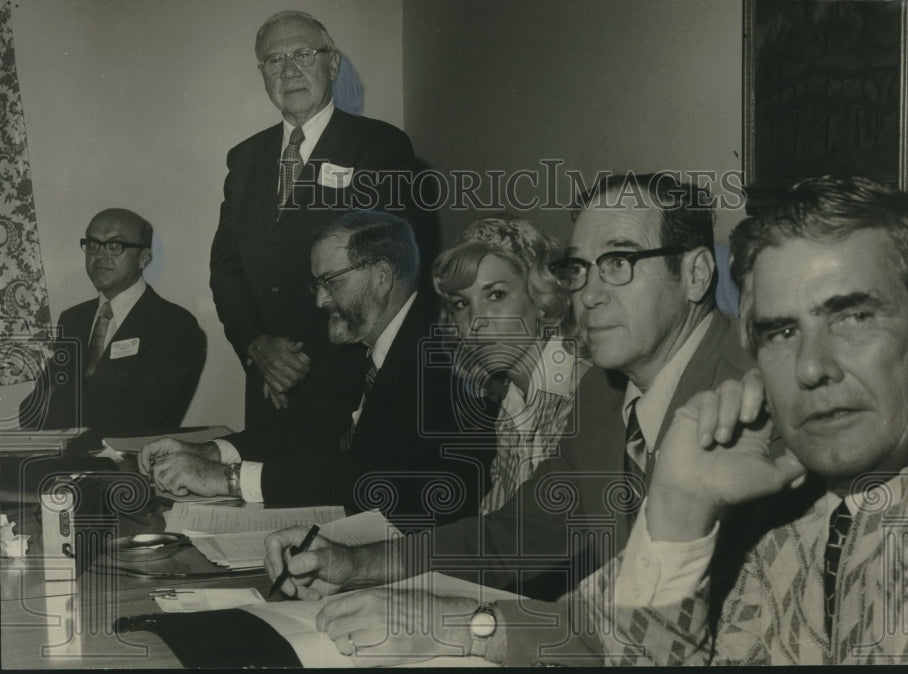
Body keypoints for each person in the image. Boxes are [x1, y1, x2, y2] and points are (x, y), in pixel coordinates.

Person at [517, 176, 908, 665]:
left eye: (854, 318)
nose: (811, 368)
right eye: (782, 331)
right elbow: (613, 641)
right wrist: (681, 507)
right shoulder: (810, 482)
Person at [263, 171, 758, 631]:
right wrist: (357, 565)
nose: (588, 295)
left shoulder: (755, 397)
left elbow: (656, 626)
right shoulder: (605, 394)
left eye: (619, 263)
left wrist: (455, 625)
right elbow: (513, 535)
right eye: (579, 268)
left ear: (695, 274)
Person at [140, 211, 490, 526]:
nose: (320, 300)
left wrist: (228, 478)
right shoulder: (365, 344)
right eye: (317, 284)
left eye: (331, 282)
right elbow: (308, 432)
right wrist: (210, 452)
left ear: (382, 276)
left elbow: (372, 477)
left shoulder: (440, 352)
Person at [210, 10, 415, 431]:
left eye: (303, 54)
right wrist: (257, 345)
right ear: (263, 73)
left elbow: (383, 275)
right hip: (269, 385)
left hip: (348, 383)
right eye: (274, 60)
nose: (289, 71)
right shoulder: (245, 159)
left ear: (333, 63)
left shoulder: (380, 147)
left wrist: (293, 362)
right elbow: (227, 269)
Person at [432, 215, 589, 514]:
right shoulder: (511, 403)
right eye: (461, 304)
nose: (475, 321)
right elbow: (498, 527)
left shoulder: (583, 391)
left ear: (540, 298)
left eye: (496, 295)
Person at [19, 209, 205, 437]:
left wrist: (60, 398)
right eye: (93, 244)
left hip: (129, 466)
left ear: (144, 257)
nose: (100, 256)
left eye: (115, 245)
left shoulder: (174, 324)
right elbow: (30, 410)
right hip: (65, 462)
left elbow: (137, 419)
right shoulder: (72, 319)